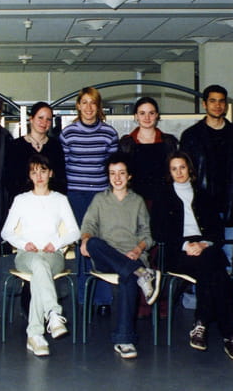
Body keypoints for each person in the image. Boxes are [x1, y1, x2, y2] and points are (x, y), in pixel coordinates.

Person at [151, 152, 233, 361]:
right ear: (169, 172)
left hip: (205, 246)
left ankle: (201, 324)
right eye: (174, 169)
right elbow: (159, 232)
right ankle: (230, 336)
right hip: (178, 251)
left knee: (212, 271)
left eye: (182, 167)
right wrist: (186, 245)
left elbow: (217, 231)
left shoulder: (203, 195)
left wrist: (203, 244)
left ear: (190, 169)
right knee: (218, 274)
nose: (179, 172)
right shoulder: (162, 196)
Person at [79, 152, 160, 359]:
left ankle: (124, 340)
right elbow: (88, 227)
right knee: (93, 243)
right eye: (112, 173)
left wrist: (138, 250)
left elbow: (147, 235)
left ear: (129, 176)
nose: (117, 178)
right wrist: (86, 239)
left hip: (132, 255)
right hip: (107, 256)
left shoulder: (137, 201)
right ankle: (142, 273)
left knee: (128, 276)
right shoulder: (100, 199)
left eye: (121, 173)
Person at [1, 154, 79, 357]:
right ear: (29, 175)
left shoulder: (60, 200)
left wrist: (57, 243)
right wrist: (23, 243)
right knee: (37, 264)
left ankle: (35, 334)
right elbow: (6, 232)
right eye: (34, 172)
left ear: (50, 173)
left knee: (39, 271)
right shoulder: (21, 200)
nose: (39, 176)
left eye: (43, 171)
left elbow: (74, 232)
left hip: (53, 255)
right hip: (26, 254)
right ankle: (53, 313)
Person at [59, 87, 119, 312]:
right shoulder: (68, 133)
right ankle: (85, 297)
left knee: (100, 244)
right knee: (82, 245)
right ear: (78, 106)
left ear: (98, 106)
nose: (88, 107)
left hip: (101, 196)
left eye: (93, 103)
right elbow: (63, 168)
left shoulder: (109, 133)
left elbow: (113, 168)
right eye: (84, 102)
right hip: (76, 195)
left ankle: (103, 299)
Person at [180, 85, 233, 266]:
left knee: (227, 257)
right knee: (202, 258)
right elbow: (183, 174)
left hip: (230, 206)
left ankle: (226, 286)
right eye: (212, 101)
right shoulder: (191, 136)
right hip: (201, 208)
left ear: (226, 105)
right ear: (204, 104)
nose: (217, 105)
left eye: (221, 101)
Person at [118, 96, 178, 207]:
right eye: (142, 113)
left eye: (151, 113)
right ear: (136, 116)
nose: (147, 117)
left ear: (157, 115)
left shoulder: (169, 142)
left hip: (164, 201)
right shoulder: (126, 143)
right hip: (133, 202)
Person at [4, 101, 66, 199]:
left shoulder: (56, 146)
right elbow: (9, 180)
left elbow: (60, 179)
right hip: (23, 201)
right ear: (31, 119)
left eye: (48, 119)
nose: (44, 122)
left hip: (49, 200)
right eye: (40, 118)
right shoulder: (15, 146)